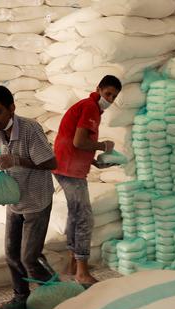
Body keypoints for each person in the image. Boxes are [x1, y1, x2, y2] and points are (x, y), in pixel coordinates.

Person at [0, 85, 58, 305]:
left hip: (36, 201)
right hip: (14, 200)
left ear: (12, 108)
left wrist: (16, 160)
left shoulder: (30, 129)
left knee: (29, 258)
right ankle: (21, 297)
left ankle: (57, 294)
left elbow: (51, 162)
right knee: (11, 256)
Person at [53, 75, 122, 285]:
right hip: (68, 169)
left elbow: (78, 143)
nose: (109, 99)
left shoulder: (90, 107)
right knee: (84, 218)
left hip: (65, 165)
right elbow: (79, 140)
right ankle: (81, 272)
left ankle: (73, 264)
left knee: (75, 215)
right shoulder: (90, 107)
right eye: (107, 93)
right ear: (98, 89)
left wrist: (93, 162)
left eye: (113, 97)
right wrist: (104, 147)